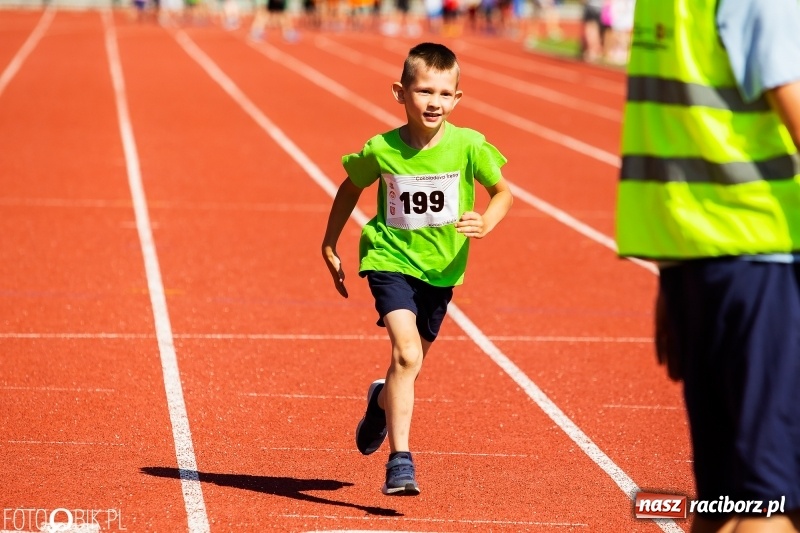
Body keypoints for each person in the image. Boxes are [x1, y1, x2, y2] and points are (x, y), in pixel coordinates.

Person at [615, 1, 800, 532]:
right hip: (762, 249)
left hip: (699, 258)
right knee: (771, 502)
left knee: (728, 501)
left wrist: (675, 276)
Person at [321, 42, 513, 496]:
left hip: (442, 269)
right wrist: (329, 243)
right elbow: (350, 188)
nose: (434, 102)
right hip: (389, 258)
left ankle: (379, 404)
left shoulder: (469, 146)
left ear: (458, 99)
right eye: (424, 91)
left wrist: (486, 219)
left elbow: (503, 192)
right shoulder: (382, 149)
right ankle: (400, 462)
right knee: (405, 354)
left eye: (445, 94)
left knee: (412, 363)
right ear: (399, 92)